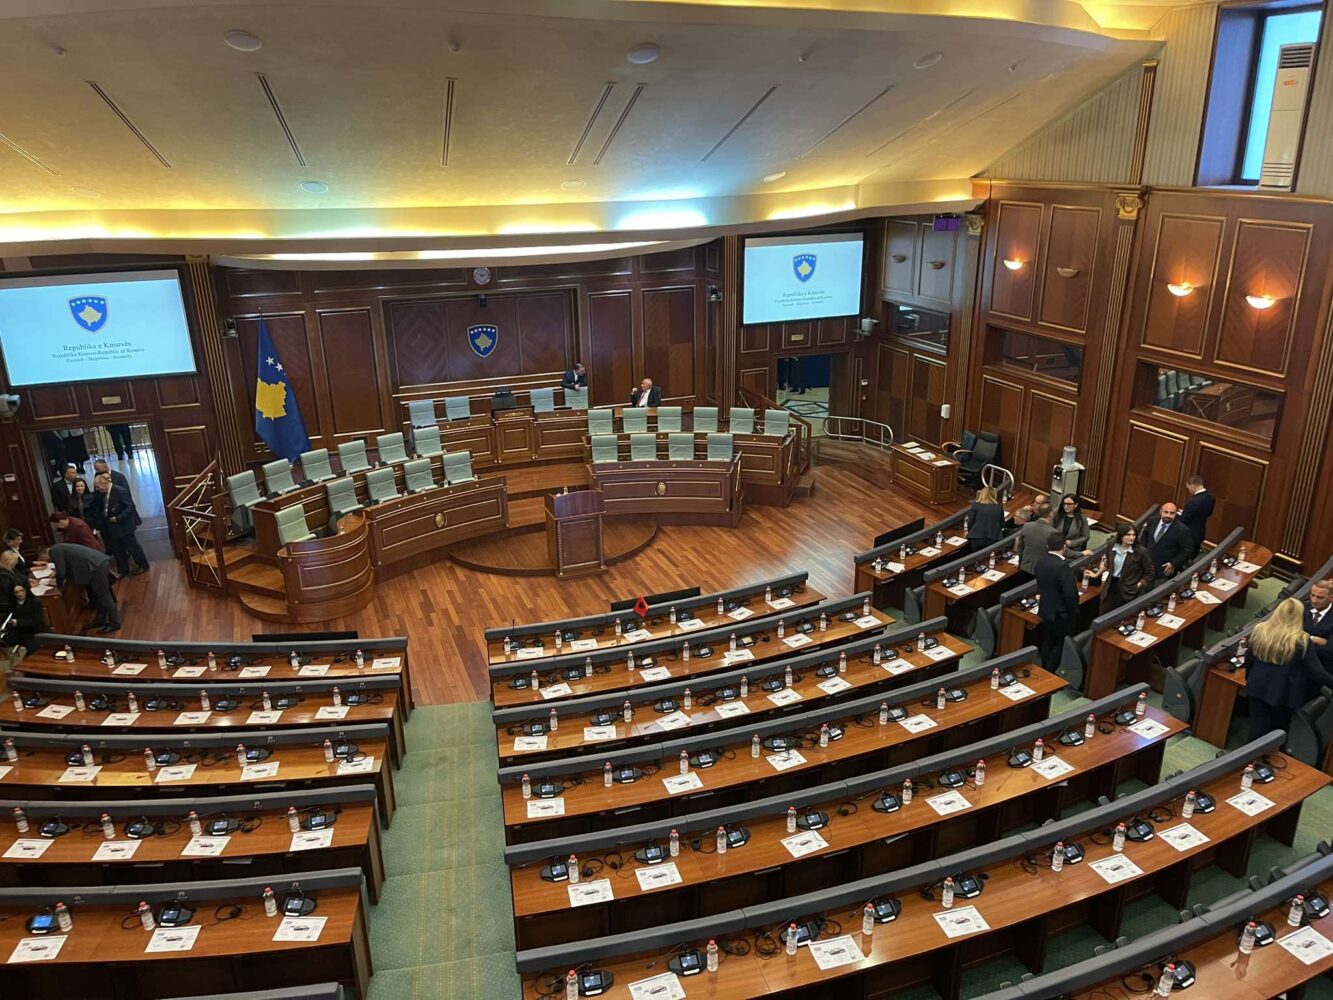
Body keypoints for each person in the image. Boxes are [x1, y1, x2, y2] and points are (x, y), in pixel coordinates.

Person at [1244, 597, 1333, 744]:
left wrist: (1249, 678)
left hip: (1257, 685)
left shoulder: (1260, 629)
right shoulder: (1301, 640)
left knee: (1257, 724)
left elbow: (1249, 659)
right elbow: (1317, 672)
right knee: (1277, 731)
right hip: (1283, 693)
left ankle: (1248, 755)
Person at [43, 543, 121, 633]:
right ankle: (101, 619)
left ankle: (115, 623)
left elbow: (61, 572)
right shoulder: (58, 547)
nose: (47, 561)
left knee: (103, 595)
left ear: (44, 554)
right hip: (95, 563)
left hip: (95, 565)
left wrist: (57, 585)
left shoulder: (54, 551)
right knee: (96, 595)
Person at [1034, 534, 1080, 671]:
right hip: (1061, 612)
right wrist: (1074, 611)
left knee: (1047, 640)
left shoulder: (1041, 561)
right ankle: (1050, 669)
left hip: (1046, 607)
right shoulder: (1062, 566)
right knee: (1061, 642)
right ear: (1064, 546)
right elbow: (1070, 593)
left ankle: (1044, 666)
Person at [91, 473, 149, 576]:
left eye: (98, 487)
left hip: (123, 525)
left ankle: (142, 565)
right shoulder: (103, 494)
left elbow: (130, 506)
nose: (97, 489)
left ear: (104, 483)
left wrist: (119, 517)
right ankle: (123, 570)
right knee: (117, 549)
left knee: (132, 547)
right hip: (111, 526)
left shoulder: (120, 491)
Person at [1099, 523, 1155, 612]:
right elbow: (1109, 563)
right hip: (1111, 584)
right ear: (1121, 536)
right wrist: (1097, 574)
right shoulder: (1112, 545)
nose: (1131, 537)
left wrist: (1139, 584)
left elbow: (1150, 571)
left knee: (1119, 615)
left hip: (1128, 587)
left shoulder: (1140, 552)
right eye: (1128, 535)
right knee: (1103, 611)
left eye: (1133, 535)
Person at [1143, 501, 1192, 579]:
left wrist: (1173, 564)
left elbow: (1187, 551)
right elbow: (1144, 538)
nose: (1168, 515)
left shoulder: (1182, 530)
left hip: (1164, 568)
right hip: (1146, 563)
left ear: (1176, 514)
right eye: (1166, 512)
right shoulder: (1152, 521)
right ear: (1161, 512)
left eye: (1172, 513)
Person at [1015, 502, 1057, 575]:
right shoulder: (1053, 532)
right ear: (1051, 514)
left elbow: (1020, 547)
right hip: (1043, 571)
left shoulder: (1027, 526)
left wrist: (1020, 562)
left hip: (1026, 566)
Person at [1179, 474, 1215, 558]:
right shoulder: (1211, 497)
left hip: (1189, 535)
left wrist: (1175, 515)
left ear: (1192, 485)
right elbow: (1209, 513)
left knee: (1184, 557)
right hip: (1200, 533)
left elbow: (1184, 519)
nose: (1189, 491)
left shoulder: (1194, 501)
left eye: (1188, 488)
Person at [6, 583, 47, 655]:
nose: (20, 594)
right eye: (16, 592)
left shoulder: (35, 602)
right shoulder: (12, 604)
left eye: (22, 591)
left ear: (26, 590)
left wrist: (18, 623)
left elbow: (36, 621)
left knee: (32, 647)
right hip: (20, 631)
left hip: (34, 630)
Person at [965, 486, 1005, 553]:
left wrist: (971, 532)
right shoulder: (999, 507)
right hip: (993, 537)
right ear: (994, 495)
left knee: (975, 557)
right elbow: (1002, 523)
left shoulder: (975, 506)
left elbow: (970, 522)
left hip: (977, 537)